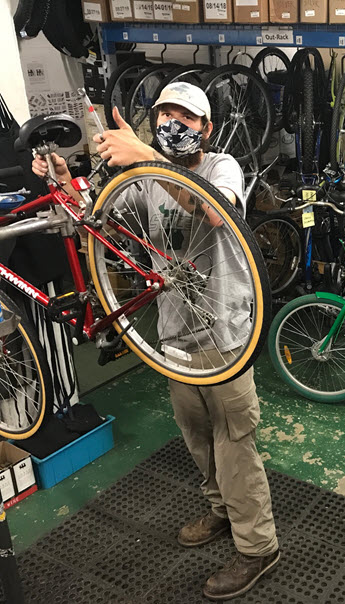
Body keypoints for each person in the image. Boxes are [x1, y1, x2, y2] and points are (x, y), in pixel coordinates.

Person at [32, 82, 279, 601]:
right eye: (164, 114)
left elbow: (214, 213)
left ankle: (257, 547)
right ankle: (220, 512)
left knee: (235, 441)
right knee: (196, 433)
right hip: (172, 335)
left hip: (226, 334)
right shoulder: (143, 182)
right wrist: (66, 185)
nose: (173, 125)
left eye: (185, 118)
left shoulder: (222, 169)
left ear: (206, 128)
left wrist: (145, 154)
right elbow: (101, 225)